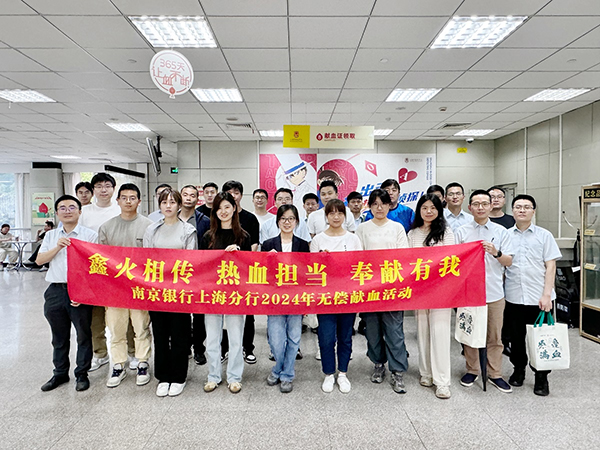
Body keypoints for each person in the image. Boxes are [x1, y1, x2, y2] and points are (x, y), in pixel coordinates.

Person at [455, 190, 514, 393]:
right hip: (468, 293)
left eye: (484, 204)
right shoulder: (461, 232)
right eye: (476, 204)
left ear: (491, 206)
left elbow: (509, 261)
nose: (480, 207)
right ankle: (472, 370)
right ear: (469, 207)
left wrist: (496, 252)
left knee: (495, 336)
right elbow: (453, 262)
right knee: (470, 333)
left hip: (494, 292)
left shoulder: (501, 232)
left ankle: (495, 373)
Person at [37, 195, 97, 392]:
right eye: (62, 208)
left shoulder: (89, 235)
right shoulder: (51, 236)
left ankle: (82, 374)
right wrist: (58, 247)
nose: (67, 211)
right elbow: (40, 260)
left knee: (83, 335)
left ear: (80, 211)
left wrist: (82, 292)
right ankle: (60, 373)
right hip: (55, 290)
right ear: (57, 213)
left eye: (72, 207)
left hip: (79, 292)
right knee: (59, 336)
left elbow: (93, 267)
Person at [505, 194, 562, 397]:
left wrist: (547, 295)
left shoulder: (544, 235)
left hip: (539, 298)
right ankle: (518, 370)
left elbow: (551, 266)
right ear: (512, 211)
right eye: (518, 207)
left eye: (526, 207)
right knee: (516, 339)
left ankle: (541, 377)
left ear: (533, 211)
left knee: (541, 339)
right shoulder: (505, 235)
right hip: (513, 296)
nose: (522, 210)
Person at [98, 183, 153, 388]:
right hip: (115, 289)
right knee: (116, 329)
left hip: (140, 288)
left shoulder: (149, 226)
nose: (128, 201)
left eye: (132, 198)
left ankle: (142, 362)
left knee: (141, 328)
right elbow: (100, 259)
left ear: (139, 201)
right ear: (118, 201)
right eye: (124, 197)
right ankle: (118, 365)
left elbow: (154, 259)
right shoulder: (107, 227)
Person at [143, 188, 197, 397]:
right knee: (160, 334)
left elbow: (191, 262)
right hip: (157, 292)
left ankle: (179, 376)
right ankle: (163, 376)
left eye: (172, 202)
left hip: (179, 292)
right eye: (164, 202)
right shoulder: (152, 230)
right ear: (159, 205)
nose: (168, 206)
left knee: (180, 335)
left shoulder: (188, 230)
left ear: (179, 205)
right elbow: (146, 260)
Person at [356, 189, 409, 394]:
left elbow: (403, 258)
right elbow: (357, 258)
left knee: (394, 330)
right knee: (373, 331)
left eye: (383, 204)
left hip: (392, 289)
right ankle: (378, 364)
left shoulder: (397, 228)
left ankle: (397, 371)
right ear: (370, 206)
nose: (379, 208)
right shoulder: (362, 228)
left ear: (389, 205)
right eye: (375, 204)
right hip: (369, 288)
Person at [201, 192, 252, 394]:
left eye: (227, 207)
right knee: (212, 338)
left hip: (236, 295)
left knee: (236, 338)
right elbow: (201, 266)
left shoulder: (244, 236)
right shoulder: (208, 236)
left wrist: (238, 255)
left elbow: (250, 269)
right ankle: (213, 376)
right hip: (212, 294)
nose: (223, 211)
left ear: (234, 209)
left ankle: (234, 377)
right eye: (219, 208)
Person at [311, 199, 362, 393]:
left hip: (348, 297)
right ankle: (328, 373)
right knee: (326, 338)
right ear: (326, 216)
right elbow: (313, 271)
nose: (336, 217)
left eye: (340, 213)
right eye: (331, 213)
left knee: (345, 336)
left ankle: (342, 373)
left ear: (345, 216)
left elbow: (359, 268)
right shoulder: (318, 240)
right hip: (325, 298)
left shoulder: (353, 239)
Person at [408, 194, 455, 399]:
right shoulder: (412, 234)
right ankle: (426, 373)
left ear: (439, 210)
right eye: (424, 207)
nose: (428, 211)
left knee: (440, 333)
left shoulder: (446, 233)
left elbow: (451, 260)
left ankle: (442, 382)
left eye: (433, 208)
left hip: (441, 291)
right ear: (419, 210)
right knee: (423, 332)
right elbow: (407, 263)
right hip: (420, 291)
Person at [262, 204, 310, 393]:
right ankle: (278, 367)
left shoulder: (303, 245)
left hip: (296, 299)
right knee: (275, 339)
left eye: (291, 218)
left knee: (294, 338)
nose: (287, 222)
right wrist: (267, 260)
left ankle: (287, 374)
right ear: (278, 221)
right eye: (283, 218)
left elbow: (307, 273)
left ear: (296, 221)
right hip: (275, 300)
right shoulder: (268, 244)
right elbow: (260, 274)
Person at [79, 173, 123, 372]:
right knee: (95, 316)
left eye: (107, 186)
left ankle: (129, 351)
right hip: (93, 270)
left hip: (118, 270)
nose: (103, 190)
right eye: (99, 186)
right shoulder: (84, 212)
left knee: (121, 312)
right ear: (93, 190)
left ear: (113, 189)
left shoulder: (120, 209)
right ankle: (100, 353)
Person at [222, 180, 260, 364]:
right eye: (229, 193)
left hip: (244, 273)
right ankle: (224, 349)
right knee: (222, 312)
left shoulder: (250, 219)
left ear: (241, 195)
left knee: (247, 312)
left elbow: (254, 245)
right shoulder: (218, 219)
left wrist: (241, 259)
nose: (233, 196)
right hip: (222, 275)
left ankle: (248, 348)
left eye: (236, 192)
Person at [178, 185, 210, 366]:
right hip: (176, 274)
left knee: (199, 315)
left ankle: (199, 348)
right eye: (185, 195)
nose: (188, 198)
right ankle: (184, 348)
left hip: (199, 273)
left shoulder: (204, 221)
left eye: (192, 195)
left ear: (197, 199)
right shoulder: (171, 217)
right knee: (181, 314)